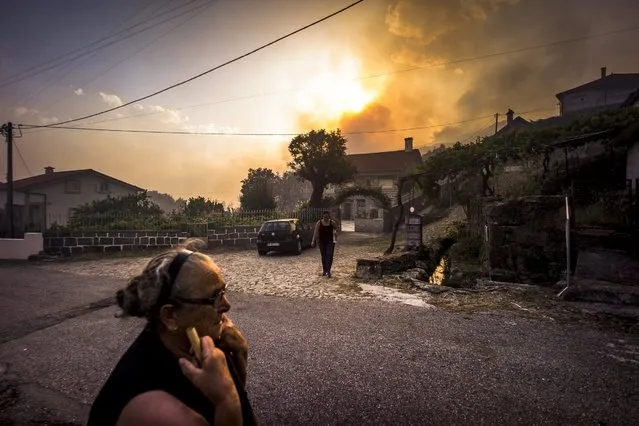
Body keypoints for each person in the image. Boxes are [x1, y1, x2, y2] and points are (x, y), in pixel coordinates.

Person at [87, 242, 256, 426]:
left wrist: (240, 356)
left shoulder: (204, 344)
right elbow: (230, 409)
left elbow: (242, 416)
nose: (227, 305)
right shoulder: (157, 409)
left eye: (224, 291)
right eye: (214, 297)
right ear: (170, 316)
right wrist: (227, 400)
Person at [311, 210, 338, 278]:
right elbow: (315, 232)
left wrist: (335, 232)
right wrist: (313, 241)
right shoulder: (319, 223)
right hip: (322, 242)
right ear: (323, 217)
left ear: (329, 217)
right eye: (325, 217)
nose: (326, 218)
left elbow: (336, 228)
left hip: (330, 242)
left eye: (327, 217)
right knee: (324, 256)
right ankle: (324, 270)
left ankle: (328, 271)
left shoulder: (332, 222)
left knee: (329, 255)